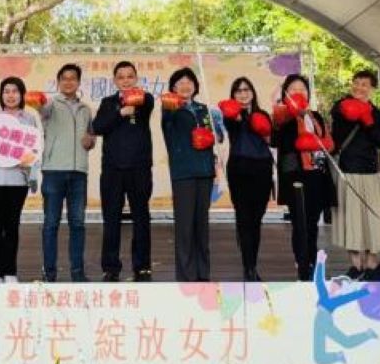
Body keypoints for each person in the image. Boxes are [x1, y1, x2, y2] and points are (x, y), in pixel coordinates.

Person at [91, 60, 154, 282]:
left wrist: (132, 103)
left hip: (139, 169)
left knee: (141, 217)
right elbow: (97, 127)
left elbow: (146, 103)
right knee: (111, 219)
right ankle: (111, 267)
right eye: (121, 77)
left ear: (136, 78)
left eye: (130, 76)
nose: (126, 80)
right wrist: (120, 112)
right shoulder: (108, 102)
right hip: (112, 170)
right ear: (115, 80)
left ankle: (142, 266)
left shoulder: (145, 99)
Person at [271, 74, 336, 281]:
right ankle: (302, 267)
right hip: (295, 177)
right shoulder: (283, 115)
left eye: (303, 88)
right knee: (299, 223)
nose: (299, 92)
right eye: (293, 88)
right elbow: (275, 135)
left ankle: (311, 261)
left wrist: (320, 144)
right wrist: (284, 107)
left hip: (317, 175)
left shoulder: (315, 116)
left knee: (312, 223)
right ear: (286, 94)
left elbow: (329, 143)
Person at [162, 67, 223, 282]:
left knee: (201, 225)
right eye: (180, 83)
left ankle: (203, 274)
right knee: (185, 226)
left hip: (205, 171)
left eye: (189, 82)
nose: (185, 86)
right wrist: (172, 107)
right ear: (173, 88)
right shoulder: (170, 107)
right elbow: (167, 125)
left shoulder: (205, 110)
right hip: (183, 173)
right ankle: (186, 276)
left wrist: (217, 127)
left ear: (196, 86)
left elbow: (219, 138)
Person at [329, 68, 380, 278]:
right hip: (347, 170)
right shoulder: (340, 106)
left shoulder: (378, 114)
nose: (359, 87)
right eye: (356, 83)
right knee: (351, 219)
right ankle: (356, 265)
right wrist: (354, 110)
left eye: (364, 84)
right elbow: (337, 133)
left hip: (370, 171)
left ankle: (372, 263)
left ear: (372, 89)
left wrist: (368, 120)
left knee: (373, 219)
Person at [38, 64, 95, 282]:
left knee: (78, 224)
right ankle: (49, 273)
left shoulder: (86, 109)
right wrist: (37, 103)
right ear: (58, 82)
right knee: (51, 224)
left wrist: (90, 142)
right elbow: (41, 109)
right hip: (53, 171)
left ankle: (78, 273)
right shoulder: (50, 105)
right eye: (64, 78)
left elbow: (90, 137)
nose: (68, 82)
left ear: (79, 82)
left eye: (73, 78)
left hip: (79, 173)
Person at [0, 76, 38, 282]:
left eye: (15, 91)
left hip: (18, 181)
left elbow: (34, 149)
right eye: (6, 91)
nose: (10, 95)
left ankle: (10, 271)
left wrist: (29, 163)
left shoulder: (29, 119)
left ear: (22, 95)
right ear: (1, 95)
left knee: (12, 227)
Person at [218, 77, 274, 281]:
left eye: (246, 89)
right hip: (239, 169)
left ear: (252, 92)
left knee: (256, 220)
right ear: (233, 95)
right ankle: (249, 268)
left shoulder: (263, 114)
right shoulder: (231, 114)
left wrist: (263, 127)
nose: (243, 94)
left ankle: (252, 264)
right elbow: (231, 125)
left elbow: (271, 139)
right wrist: (239, 116)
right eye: (238, 90)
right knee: (244, 219)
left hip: (262, 168)